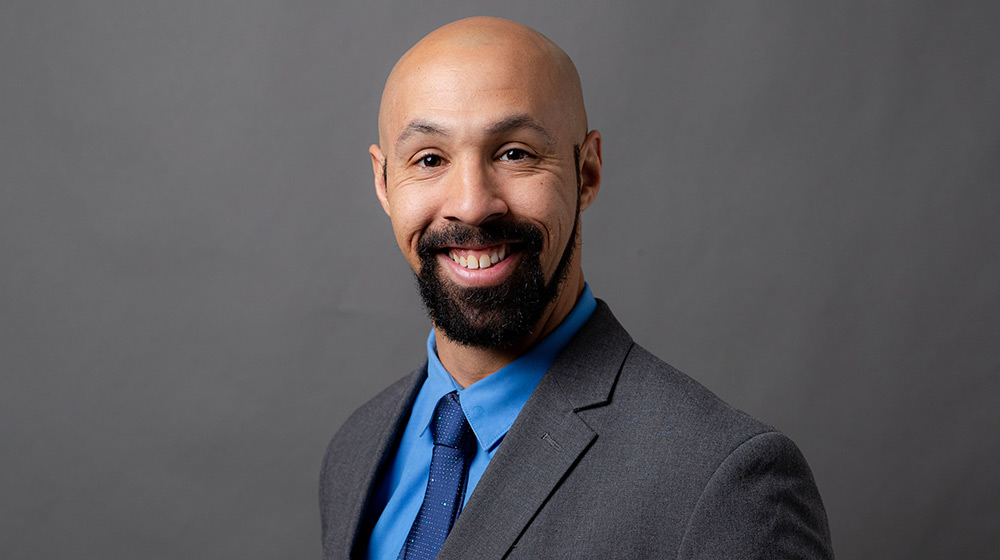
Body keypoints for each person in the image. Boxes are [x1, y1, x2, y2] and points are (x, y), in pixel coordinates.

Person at [320, 16, 834, 560]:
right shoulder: (356, 449)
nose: (471, 204)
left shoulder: (724, 483)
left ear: (586, 172)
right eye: (429, 159)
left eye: (514, 153)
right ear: (383, 182)